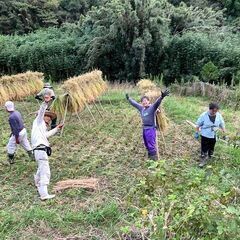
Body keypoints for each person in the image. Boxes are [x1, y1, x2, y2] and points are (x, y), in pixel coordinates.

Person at [32, 92, 63, 200]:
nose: (49, 119)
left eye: (50, 118)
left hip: (39, 150)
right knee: (45, 171)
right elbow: (41, 112)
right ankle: (44, 194)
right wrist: (45, 102)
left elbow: (46, 135)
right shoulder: (38, 121)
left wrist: (57, 128)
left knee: (41, 168)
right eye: (47, 116)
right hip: (40, 149)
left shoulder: (41, 128)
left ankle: (37, 181)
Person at [126, 90, 170, 160]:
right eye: (143, 101)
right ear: (141, 103)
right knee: (146, 143)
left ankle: (154, 159)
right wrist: (129, 99)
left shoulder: (152, 108)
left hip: (151, 129)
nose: (144, 102)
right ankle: (150, 156)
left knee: (151, 144)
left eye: (146, 100)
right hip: (144, 129)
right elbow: (134, 104)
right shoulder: (141, 108)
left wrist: (161, 97)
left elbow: (157, 103)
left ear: (149, 101)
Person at [195, 103, 226, 167]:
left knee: (212, 147)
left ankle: (210, 157)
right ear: (210, 109)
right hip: (205, 134)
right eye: (213, 111)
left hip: (214, 134)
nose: (214, 112)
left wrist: (224, 131)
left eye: (216, 111)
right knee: (204, 147)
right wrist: (197, 132)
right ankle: (203, 160)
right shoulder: (203, 115)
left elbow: (222, 123)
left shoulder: (218, 115)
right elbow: (198, 124)